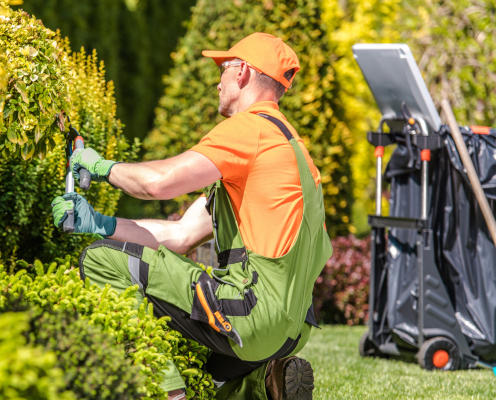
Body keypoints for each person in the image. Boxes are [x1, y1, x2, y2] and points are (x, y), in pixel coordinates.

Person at [51, 32, 332, 400]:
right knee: (204, 371)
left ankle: (165, 392)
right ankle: (265, 382)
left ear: (244, 73)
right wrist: (100, 223)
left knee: (102, 260)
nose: (218, 82)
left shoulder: (250, 130)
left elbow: (157, 184)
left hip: (251, 312)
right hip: (290, 330)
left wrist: (101, 166)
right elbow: (182, 235)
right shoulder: (292, 149)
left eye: (223, 69)